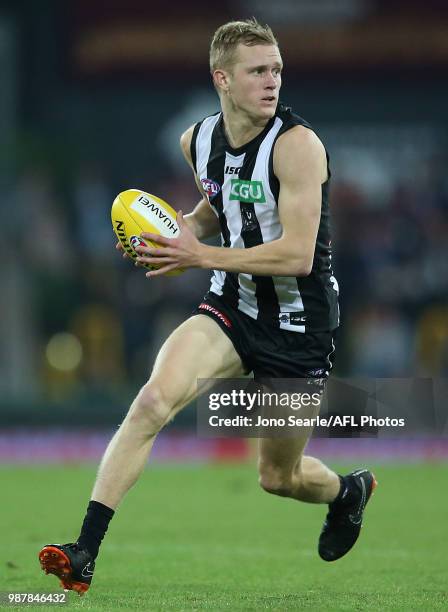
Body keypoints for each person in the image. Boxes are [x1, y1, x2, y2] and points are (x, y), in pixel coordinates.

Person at [39, 18, 377, 595]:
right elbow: (217, 206)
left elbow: (298, 255)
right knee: (151, 401)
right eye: (257, 72)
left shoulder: (298, 147)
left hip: (297, 325)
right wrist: (176, 236)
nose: (272, 82)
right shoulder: (196, 140)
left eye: (276, 70)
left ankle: (349, 491)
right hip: (233, 306)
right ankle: (85, 550)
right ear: (222, 78)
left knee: (279, 477)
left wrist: (201, 255)